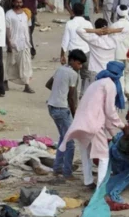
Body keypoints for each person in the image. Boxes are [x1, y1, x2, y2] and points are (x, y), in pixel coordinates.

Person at [61, 61, 125, 188]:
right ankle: (101, 186)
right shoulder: (110, 85)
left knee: (85, 152)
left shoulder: (96, 83)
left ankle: (88, 181)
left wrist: (113, 134)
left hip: (80, 122)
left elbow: (104, 113)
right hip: (93, 123)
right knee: (104, 156)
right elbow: (110, 111)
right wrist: (123, 126)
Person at [47, 49, 86, 179]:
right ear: (73, 61)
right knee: (69, 143)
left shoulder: (60, 69)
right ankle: (67, 172)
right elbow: (71, 97)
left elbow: (49, 84)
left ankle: (57, 168)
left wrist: (58, 90)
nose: (80, 67)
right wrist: (75, 115)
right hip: (61, 108)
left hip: (52, 106)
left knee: (63, 138)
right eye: (79, 64)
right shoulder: (73, 74)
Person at [5, 0, 35, 94]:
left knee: (26, 65)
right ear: (13, 3)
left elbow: (28, 29)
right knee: (10, 64)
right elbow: (7, 30)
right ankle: (5, 83)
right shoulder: (9, 14)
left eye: (20, 2)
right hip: (13, 43)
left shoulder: (26, 14)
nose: (19, 4)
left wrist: (30, 43)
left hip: (25, 44)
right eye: (17, 2)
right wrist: (9, 44)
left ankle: (27, 85)